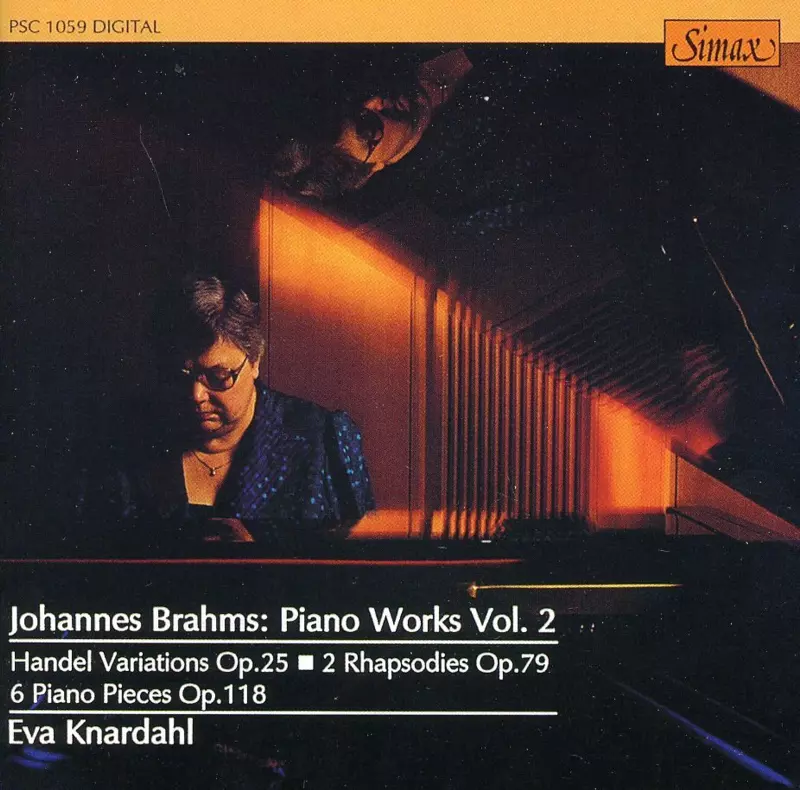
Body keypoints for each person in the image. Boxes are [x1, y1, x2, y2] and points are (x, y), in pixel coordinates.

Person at [78, 276, 375, 542]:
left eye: (218, 376)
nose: (196, 395)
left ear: (254, 362)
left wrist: (257, 560)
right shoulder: (124, 435)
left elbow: (356, 569)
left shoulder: (322, 440)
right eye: (180, 376)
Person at [271, 49, 473, 199]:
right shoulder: (456, 173)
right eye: (367, 129)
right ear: (372, 170)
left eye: (354, 105)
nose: (375, 101)